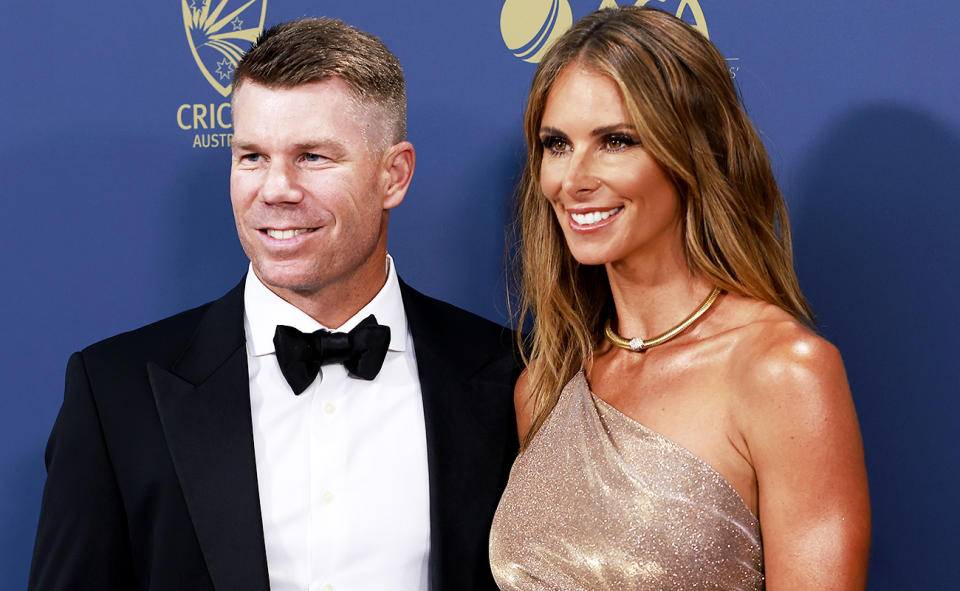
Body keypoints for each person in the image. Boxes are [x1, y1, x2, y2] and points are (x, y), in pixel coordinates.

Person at [29, 18, 518, 591]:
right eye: (252, 156)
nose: (276, 188)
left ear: (394, 175)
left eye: (312, 156)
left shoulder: (513, 377)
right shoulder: (115, 394)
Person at [489, 6, 870, 590]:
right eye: (556, 144)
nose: (575, 179)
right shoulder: (545, 387)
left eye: (616, 141)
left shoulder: (781, 372)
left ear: (688, 153)